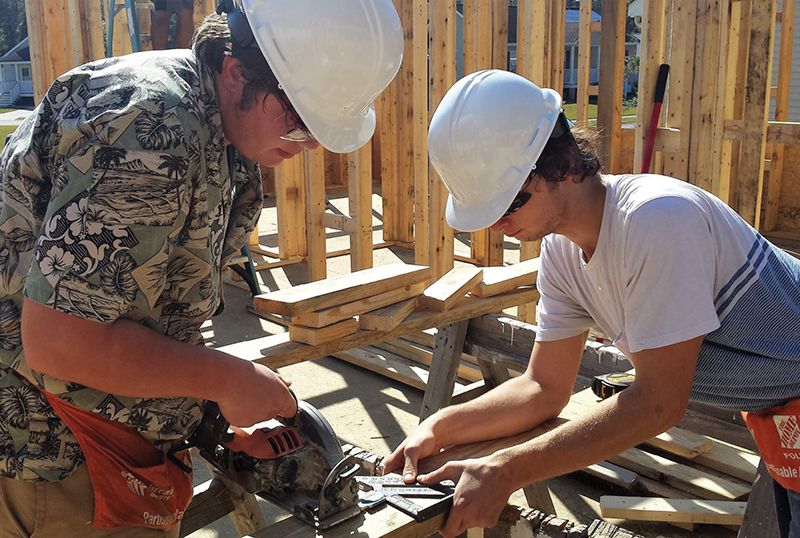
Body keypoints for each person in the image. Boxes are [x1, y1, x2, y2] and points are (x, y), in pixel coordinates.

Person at [0, 0, 403, 535]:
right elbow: (62, 342)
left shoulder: (220, 130)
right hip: (55, 454)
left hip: (106, 434)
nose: (308, 143)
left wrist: (204, 411)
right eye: (300, 119)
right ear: (236, 72)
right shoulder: (150, 129)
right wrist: (227, 379)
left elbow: (147, 313)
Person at [384, 69, 800, 538]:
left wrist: (506, 469)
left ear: (561, 165)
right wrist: (441, 427)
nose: (497, 223)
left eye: (509, 202)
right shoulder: (562, 254)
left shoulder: (657, 220)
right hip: (782, 411)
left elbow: (659, 403)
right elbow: (542, 387)